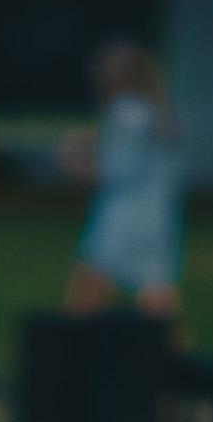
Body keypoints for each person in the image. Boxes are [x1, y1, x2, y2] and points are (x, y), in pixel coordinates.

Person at [64, 38, 183, 316]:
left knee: (86, 292)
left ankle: (68, 355)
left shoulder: (125, 113)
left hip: (121, 218)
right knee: (157, 296)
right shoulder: (155, 113)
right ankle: (178, 355)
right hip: (156, 217)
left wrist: (74, 165)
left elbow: (114, 171)